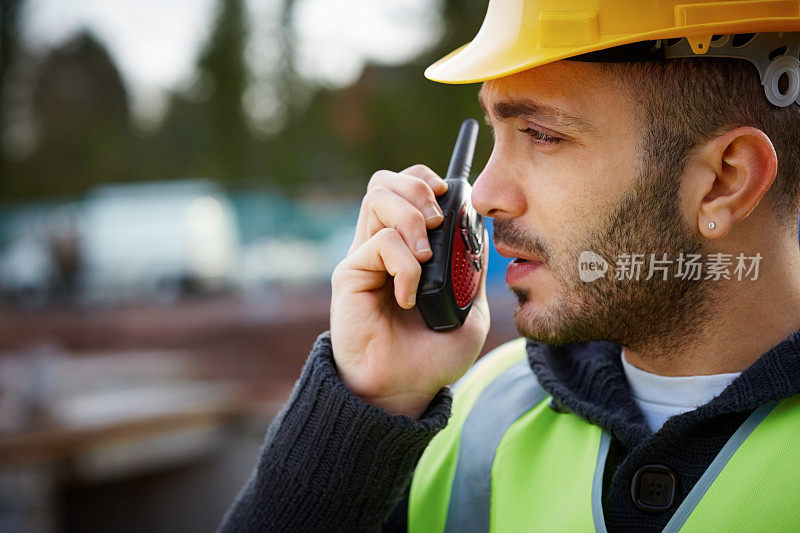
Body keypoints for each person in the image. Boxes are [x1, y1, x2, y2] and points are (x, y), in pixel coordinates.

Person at [219, 2, 800, 531]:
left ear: (726, 179)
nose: (484, 194)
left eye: (542, 135)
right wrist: (372, 403)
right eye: (497, 134)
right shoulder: (478, 418)